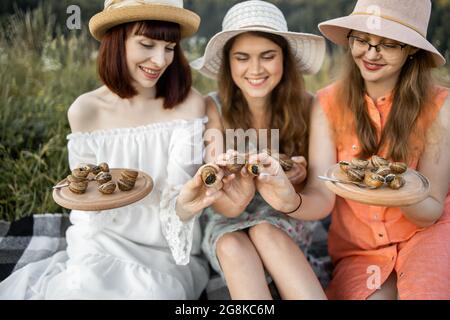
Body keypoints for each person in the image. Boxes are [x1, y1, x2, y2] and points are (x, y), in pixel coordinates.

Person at [0, 0, 221, 300]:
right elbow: (87, 202)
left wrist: (191, 201)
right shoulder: (86, 111)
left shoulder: (188, 105)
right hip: (102, 241)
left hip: (164, 250)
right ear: (117, 40)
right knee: (81, 288)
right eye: (147, 44)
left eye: (169, 48)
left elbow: (176, 201)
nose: (160, 60)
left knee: (153, 294)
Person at [248, 0, 450, 299]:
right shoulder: (327, 103)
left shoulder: (441, 106)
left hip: (428, 235)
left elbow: (430, 211)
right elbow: (322, 195)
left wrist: (398, 190)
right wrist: (290, 199)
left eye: (388, 44)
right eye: (362, 40)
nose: (370, 53)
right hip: (360, 251)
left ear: (411, 50)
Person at [191, 0, 327, 300]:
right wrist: (236, 197)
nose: (255, 69)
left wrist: (292, 192)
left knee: (266, 232)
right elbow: (219, 204)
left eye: (268, 56)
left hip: (288, 220)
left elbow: (324, 198)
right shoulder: (212, 107)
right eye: (242, 57)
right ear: (228, 62)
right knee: (230, 244)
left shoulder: (312, 107)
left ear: (285, 60)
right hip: (227, 222)